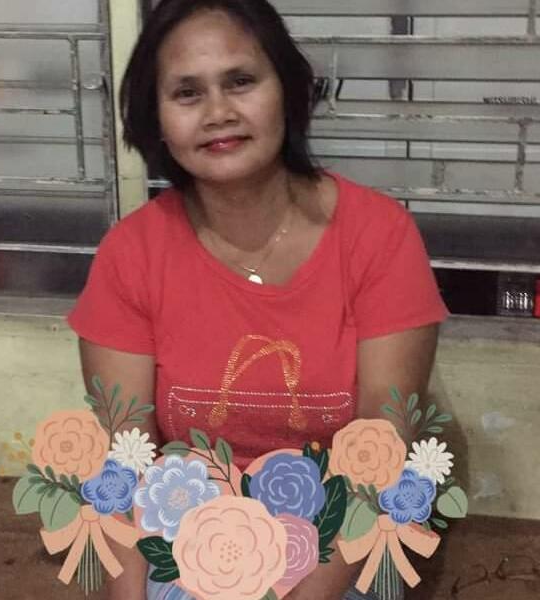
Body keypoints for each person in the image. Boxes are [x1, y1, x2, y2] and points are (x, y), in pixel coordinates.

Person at [68, 0, 448, 598]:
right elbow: (125, 456)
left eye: (241, 82)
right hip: (188, 524)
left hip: (344, 531)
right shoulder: (132, 253)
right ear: (155, 118)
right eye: (187, 93)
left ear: (288, 92)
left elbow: (385, 443)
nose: (218, 113)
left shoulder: (378, 236)